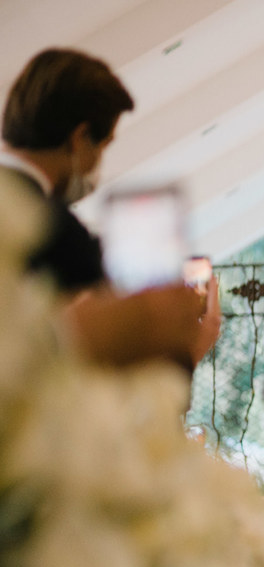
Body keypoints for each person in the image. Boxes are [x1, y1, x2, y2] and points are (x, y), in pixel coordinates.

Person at [1, 48, 220, 371]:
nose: (97, 166)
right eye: (102, 147)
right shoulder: (57, 235)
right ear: (79, 139)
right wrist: (185, 354)